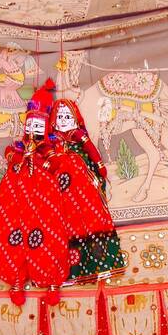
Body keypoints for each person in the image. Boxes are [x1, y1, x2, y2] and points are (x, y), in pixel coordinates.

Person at [0, 80, 72, 305]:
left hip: (44, 196)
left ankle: (52, 281)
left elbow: (59, 164)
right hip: (15, 194)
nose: (34, 130)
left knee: (49, 232)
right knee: (12, 231)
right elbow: (10, 157)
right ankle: (15, 280)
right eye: (31, 125)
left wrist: (45, 160)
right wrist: (20, 158)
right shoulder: (17, 147)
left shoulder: (52, 148)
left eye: (39, 126)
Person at [49, 96, 124, 281]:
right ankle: (70, 273)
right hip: (63, 197)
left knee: (95, 222)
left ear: (76, 119)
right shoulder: (52, 141)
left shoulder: (79, 137)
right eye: (60, 116)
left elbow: (91, 152)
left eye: (68, 116)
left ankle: (102, 266)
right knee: (66, 229)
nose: (64, 120)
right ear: (53, 120)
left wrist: (99, 166)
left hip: (86, 194)